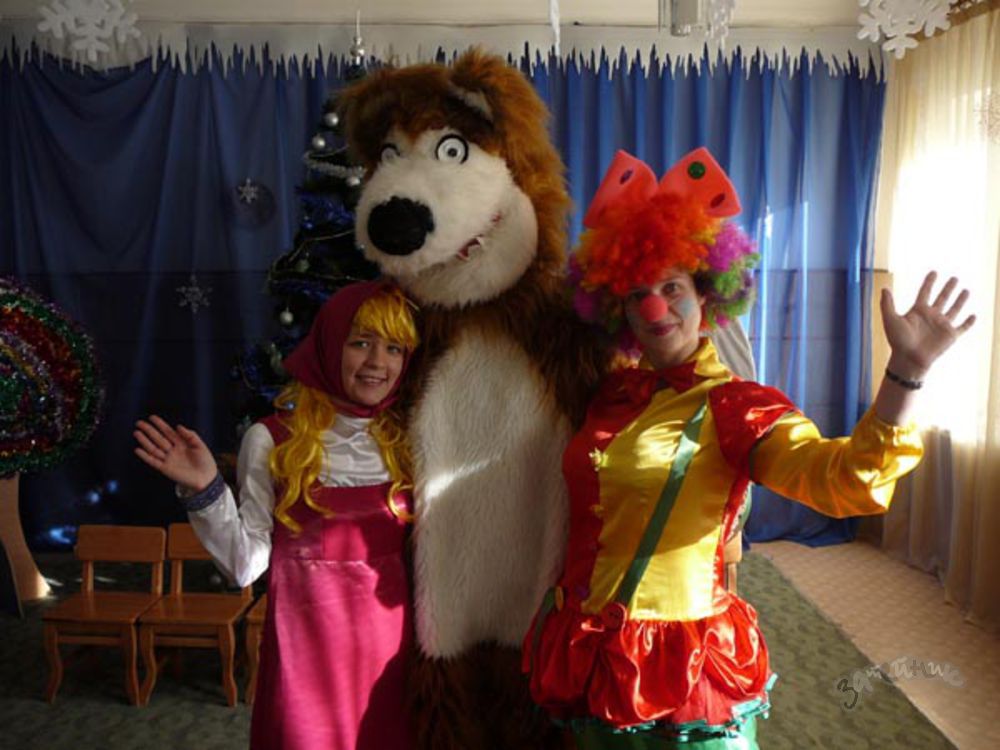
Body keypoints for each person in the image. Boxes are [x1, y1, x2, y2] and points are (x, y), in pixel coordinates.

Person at [523, 149, 975, 749]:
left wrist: (905, 376)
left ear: (707, 295)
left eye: (672, 287)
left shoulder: (736, 406)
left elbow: (841, 480)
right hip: (589, 654)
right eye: (636, 294)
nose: (655, 308)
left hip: (679, 667)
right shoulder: (609, 393)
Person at [134, 280, 419, 750]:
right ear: (329, 345)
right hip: (308, 661)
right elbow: (245, 565)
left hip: (390, 659)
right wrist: (206, 490)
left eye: (394, 348)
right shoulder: (272, 440)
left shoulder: (409, 442)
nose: (378, 362)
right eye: (361, 342)